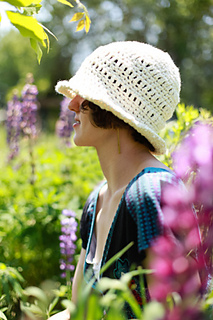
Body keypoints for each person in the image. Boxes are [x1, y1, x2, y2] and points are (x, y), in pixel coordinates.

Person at [51, 41, 182, 319]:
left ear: (116, 109)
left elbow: (175, 309)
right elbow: (80, 313)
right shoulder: (96, 200)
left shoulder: (153, 192)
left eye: (85, 96)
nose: (72, 103)